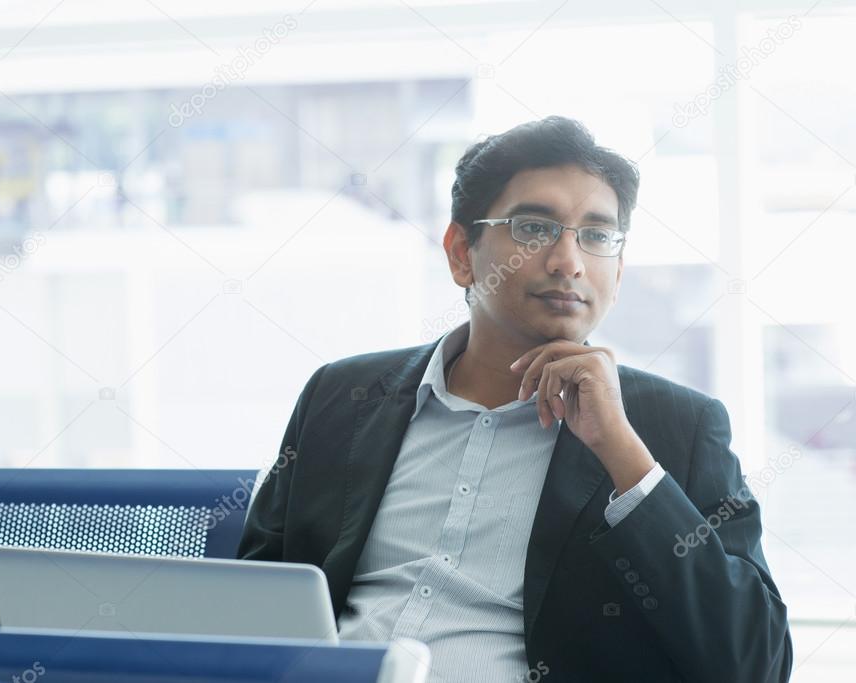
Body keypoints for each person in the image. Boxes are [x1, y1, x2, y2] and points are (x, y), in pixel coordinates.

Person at [238, 116, 792, 682]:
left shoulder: (678, 427)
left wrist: (625, 457)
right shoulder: (343, 396)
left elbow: (755, 664)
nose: (568, 261)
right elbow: (247, 602)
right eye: (534, 227)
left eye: (597, 236)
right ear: (461, 253)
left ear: (618, 273)